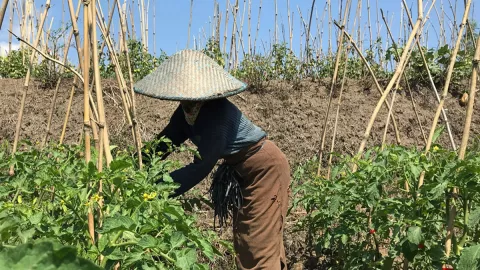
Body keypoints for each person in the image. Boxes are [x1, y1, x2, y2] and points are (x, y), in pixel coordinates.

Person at [134, 50, 291, 269]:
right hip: (241, 169)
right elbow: (165, 141)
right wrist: (133, 167)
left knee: (257, 240)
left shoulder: (218, 114)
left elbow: (201, 167)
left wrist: (155, 188)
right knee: (246, 235)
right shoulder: (186, 111)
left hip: (264, 168)